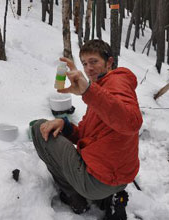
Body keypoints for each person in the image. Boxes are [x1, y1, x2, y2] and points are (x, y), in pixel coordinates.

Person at [31, 39, 142, 220]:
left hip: (99, 181)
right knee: (56, 129)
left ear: (109, 62)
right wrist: (65, 126)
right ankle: (109, 199)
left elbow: (131, 122)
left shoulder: (116, 82)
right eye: (84, 63)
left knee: (39, 128)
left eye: (94, 62)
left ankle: (74, 197)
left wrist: (88, 91)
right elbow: (87, 132)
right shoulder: (101, 89)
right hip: (120, 177)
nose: (88, 68)